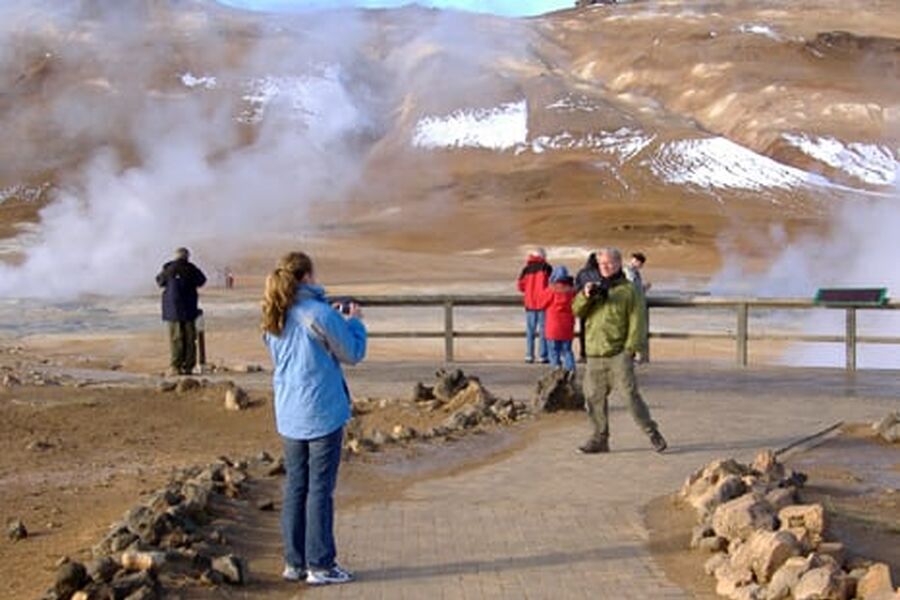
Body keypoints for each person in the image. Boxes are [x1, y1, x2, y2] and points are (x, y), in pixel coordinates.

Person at [261, 251, 366, 587]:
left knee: (296, 486)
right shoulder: (318, 313)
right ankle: (320, 564)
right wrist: (354, 323)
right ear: (306, 276)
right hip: (321, 411)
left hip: (290, 412)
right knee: (320, 489)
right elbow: (353, 353)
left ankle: (294, 562)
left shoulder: (275, 313)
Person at [572, 248, 667, 454]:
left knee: (630, 397)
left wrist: (630, 349)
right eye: (601, 264)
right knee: (593, 398)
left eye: (609, 263)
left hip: (618, 353)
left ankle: (652, 432)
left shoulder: (629, 290)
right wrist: (585, 296)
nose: (605, 267)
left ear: (618, 264)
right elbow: (576, 310)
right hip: (594, 353)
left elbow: (637, 320)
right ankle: (599, 438)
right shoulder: (594, 288)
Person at [156, 247, 206, 375]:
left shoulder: (169, 268)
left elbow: (159, 282)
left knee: (176, 339)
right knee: (190, 339)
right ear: (187, 257)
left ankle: (175, 366)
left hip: (173, 310)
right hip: (189, 309)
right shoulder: (191, 268)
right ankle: (188, 366)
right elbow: (202, 280)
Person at [537, 265, 577, 373]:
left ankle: (556, 370)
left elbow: (540, 303)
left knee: (554, 351)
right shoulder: (572, 291)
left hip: (553, 326)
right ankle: (571, 370)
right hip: (567, 326)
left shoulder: (551, 290)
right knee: (567, 350)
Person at [517, 247, 552, 364]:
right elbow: (551, 284)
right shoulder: (546, 268)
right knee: (543, 330)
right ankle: (543, 355)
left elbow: (520, 286)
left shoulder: (526, 269)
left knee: (530, 330)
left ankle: (529, 355)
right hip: (543, 303)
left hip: (530, 303)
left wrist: (529, 290)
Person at [624, 252, 651, 363]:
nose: (640, 265)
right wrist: (643, 288)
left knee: (634, 330)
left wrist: (643, 288)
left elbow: (635, 289)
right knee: (632, 330)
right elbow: (631, 289)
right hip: (631, 306)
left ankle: (631, 354)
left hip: (634, 305)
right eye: (639, 262)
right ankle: (629, 355)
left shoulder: (635, 272)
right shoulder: (629, 272)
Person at [574, 252, 601, 362]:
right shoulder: (601, 272)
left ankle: (583, 354)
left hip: (584, 304)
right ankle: (596, 353)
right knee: (598, 330)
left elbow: (577, 288)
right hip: (597, 305)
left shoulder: (582, 272)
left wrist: (582, 296)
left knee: (584, 331)